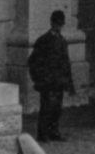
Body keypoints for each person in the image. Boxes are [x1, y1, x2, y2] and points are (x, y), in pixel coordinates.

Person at [27, 10, 75, 142]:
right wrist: (39, 79)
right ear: (52, 23)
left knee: (57, 108)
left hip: (58, 81)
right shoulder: (43, 40)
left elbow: (66, 63)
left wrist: (69, 83)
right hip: (47, 81)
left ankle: (54, 131)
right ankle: (43, 134)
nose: (58, 27)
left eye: (60, 25)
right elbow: (33, 62)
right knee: (46, 108)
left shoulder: (62, 41)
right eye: (56, 24)